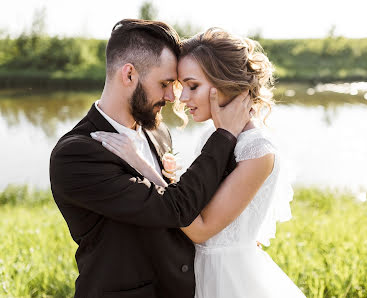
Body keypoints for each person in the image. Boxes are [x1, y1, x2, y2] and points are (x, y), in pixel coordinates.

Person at [94, 28, 305, 297]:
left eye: (193, 86)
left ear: (225, 83)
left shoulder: (258, 150)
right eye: (182, 87)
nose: (182, 98)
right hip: (199, 272)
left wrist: (145, 168)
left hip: (230, 278)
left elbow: (201, 230)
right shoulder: (213, 137)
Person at [49, 20, 252, 298]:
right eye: (165, 84)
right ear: (129, 75)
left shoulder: (158, 132)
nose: (172, 96)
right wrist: (225, 135)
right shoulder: (77, 155)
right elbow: (176, 207)